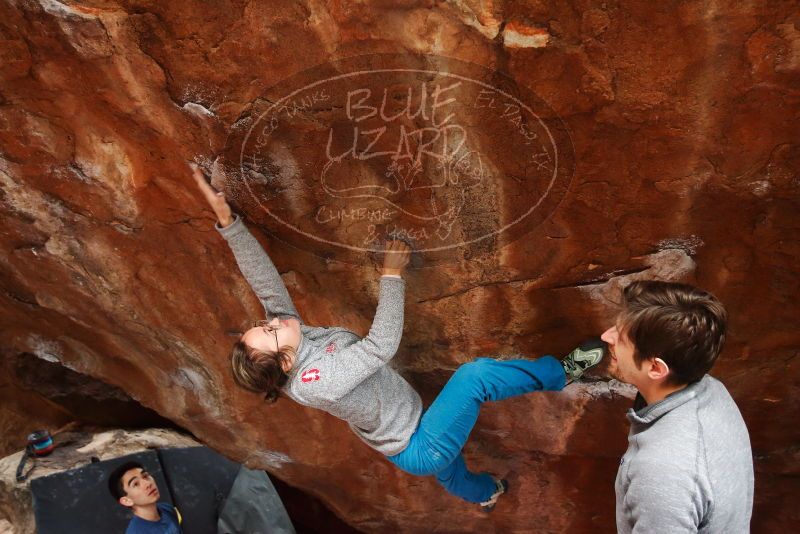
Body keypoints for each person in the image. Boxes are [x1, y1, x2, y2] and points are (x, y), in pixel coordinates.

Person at [191, 163, 606, 511]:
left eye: (266, 324)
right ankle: (562, 373)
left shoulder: (291, 341)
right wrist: (391, 275)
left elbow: (265, 285)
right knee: (473, 378)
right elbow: (379, 347)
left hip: (413, 441)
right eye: (269, 330)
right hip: (420, 445)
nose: (273, 321)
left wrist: (227, 221)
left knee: (454, 473)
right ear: (284, 363)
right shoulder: (316, 380)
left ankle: (487, 494)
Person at [601, 281, 754, 533]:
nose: (606, 337)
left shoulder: (661, 471)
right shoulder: (711, 390)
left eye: (620, 337)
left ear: (656, 368)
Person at [107, 461, 182, 534]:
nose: (148, 483)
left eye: (145, 476)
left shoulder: (168, 509)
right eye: (136, 484)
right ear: (127, 501)